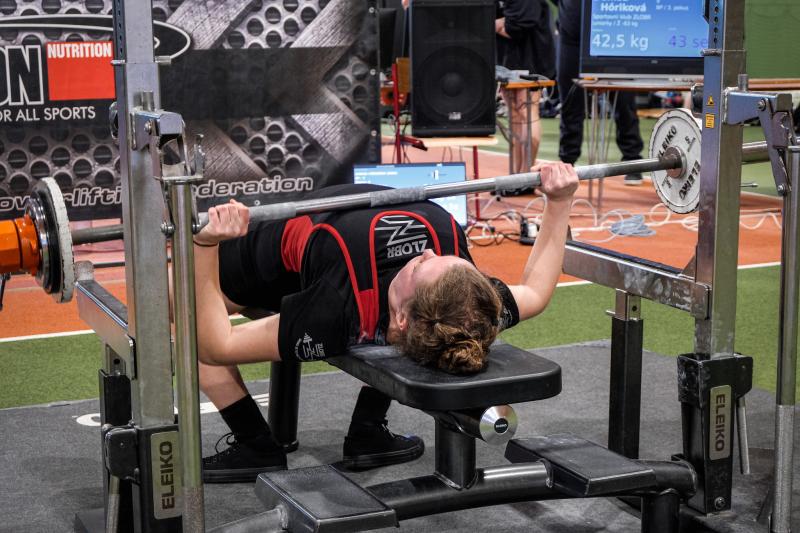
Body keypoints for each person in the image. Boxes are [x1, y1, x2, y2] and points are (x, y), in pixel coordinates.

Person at [194, 162, 579, 483]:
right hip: (261, 250)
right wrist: (560, 200)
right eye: (444, 260)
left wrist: (202, 244)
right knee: (179, 305)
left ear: (402, 317)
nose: (428, 253)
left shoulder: (343, 311)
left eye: (421, 267)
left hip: (337, 260)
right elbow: (537, 292)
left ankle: (276, 443)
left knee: (186, 322)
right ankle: (264, 440)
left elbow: (213, 346)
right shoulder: (474, 302)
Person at [554, 0, 644, 185]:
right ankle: (566, 162)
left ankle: (633, 161)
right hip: (572, 38)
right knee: (570, 104)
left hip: (612, 32)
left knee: (624, 103)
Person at [495, 0, 556, 174]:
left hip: (532, 56)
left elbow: (516, 28)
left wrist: (498, 24)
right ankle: (516, 175)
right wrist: (499, 24)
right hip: (507, 57)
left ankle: (526, 175)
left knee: (527, 112)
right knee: (514, 113)